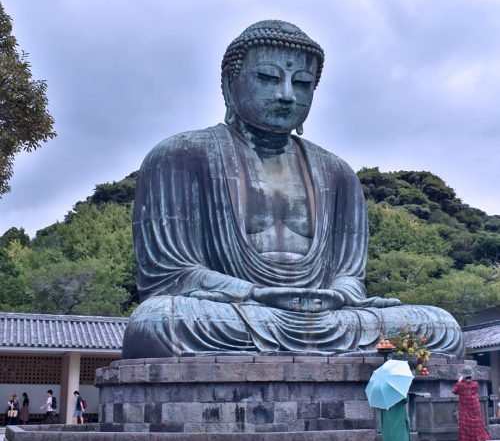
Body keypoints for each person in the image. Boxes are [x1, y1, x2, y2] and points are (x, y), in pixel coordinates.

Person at [122, 19, 464, 359]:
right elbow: (172, 276)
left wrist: (338, 294)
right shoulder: (181, 155)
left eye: (302, 83)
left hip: (327, 316)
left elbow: (348, 276)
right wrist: (254, 293)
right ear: (229, 84)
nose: (286, 95)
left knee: (440, 326)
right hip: (238, 311)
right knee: (159, 321)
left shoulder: (338, 173)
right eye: (268, 78)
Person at [452, 366, 491, 441]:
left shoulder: (461, 385)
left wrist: (459, 381)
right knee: (478, 431)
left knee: (467, 432)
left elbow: (454, 391)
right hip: (475, 411)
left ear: (464, 376)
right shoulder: (476, 384)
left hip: (465, 412)